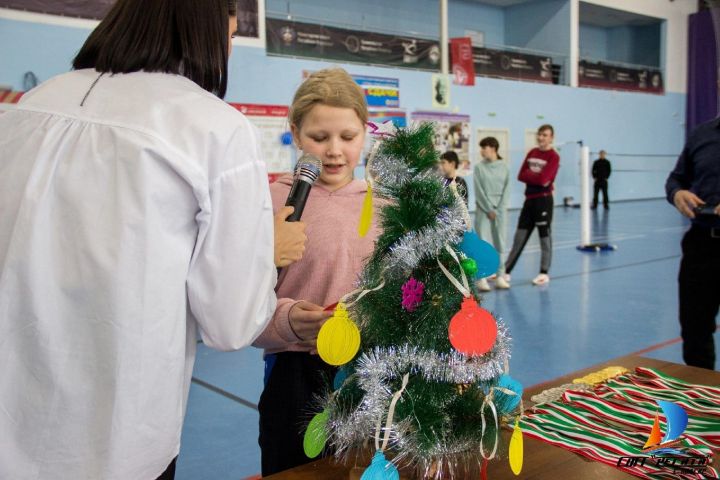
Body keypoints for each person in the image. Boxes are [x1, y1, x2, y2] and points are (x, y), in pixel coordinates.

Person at [0, 1, 307, 479]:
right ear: (204, 33)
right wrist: (265, 252)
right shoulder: (213, 127)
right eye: (228, 37)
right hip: (115, 437)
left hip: (13, 415)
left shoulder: (32, 104)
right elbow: (229, 324)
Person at [253, 68, 382, 476]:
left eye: (348, 137)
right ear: (294, 132)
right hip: (294, 372)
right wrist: (287, 319)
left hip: (372, 369)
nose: (334, 151)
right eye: (318, 138)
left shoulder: (384, 206)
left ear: (365, 131)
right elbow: (241, 304)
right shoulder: (270, 200)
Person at [665, 118, 720, 370]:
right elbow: (676, 179)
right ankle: (704, 404)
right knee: (694, 330)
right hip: (701, 246)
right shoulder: (702, 134)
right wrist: (677, 193)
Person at [504, 124, 560, 286]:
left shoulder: (554, 157)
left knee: (544, 238)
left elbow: (544, 181)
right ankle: (506, 271)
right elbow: (521, 175)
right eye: (540, 134)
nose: (541, 138)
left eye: (545, 135)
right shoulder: (532, 153)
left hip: (544, 201)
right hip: (529, 201)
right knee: (519, 237)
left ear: (551, 138)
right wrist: (536, 176)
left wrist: (532, 175)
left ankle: (543, 273)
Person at [473, 137, 510, 291]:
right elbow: (479, 190)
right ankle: (482, 278)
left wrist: (498, 208)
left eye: (484, 147)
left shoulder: (504, 167)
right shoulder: (479, 168)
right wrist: (489, 209)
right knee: (482, 244)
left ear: (493, 148)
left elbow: (506, 190)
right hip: (483, 210)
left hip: (500, 210)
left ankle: (500, 276)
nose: (482, 151)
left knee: (500, 243)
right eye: (481, 148)